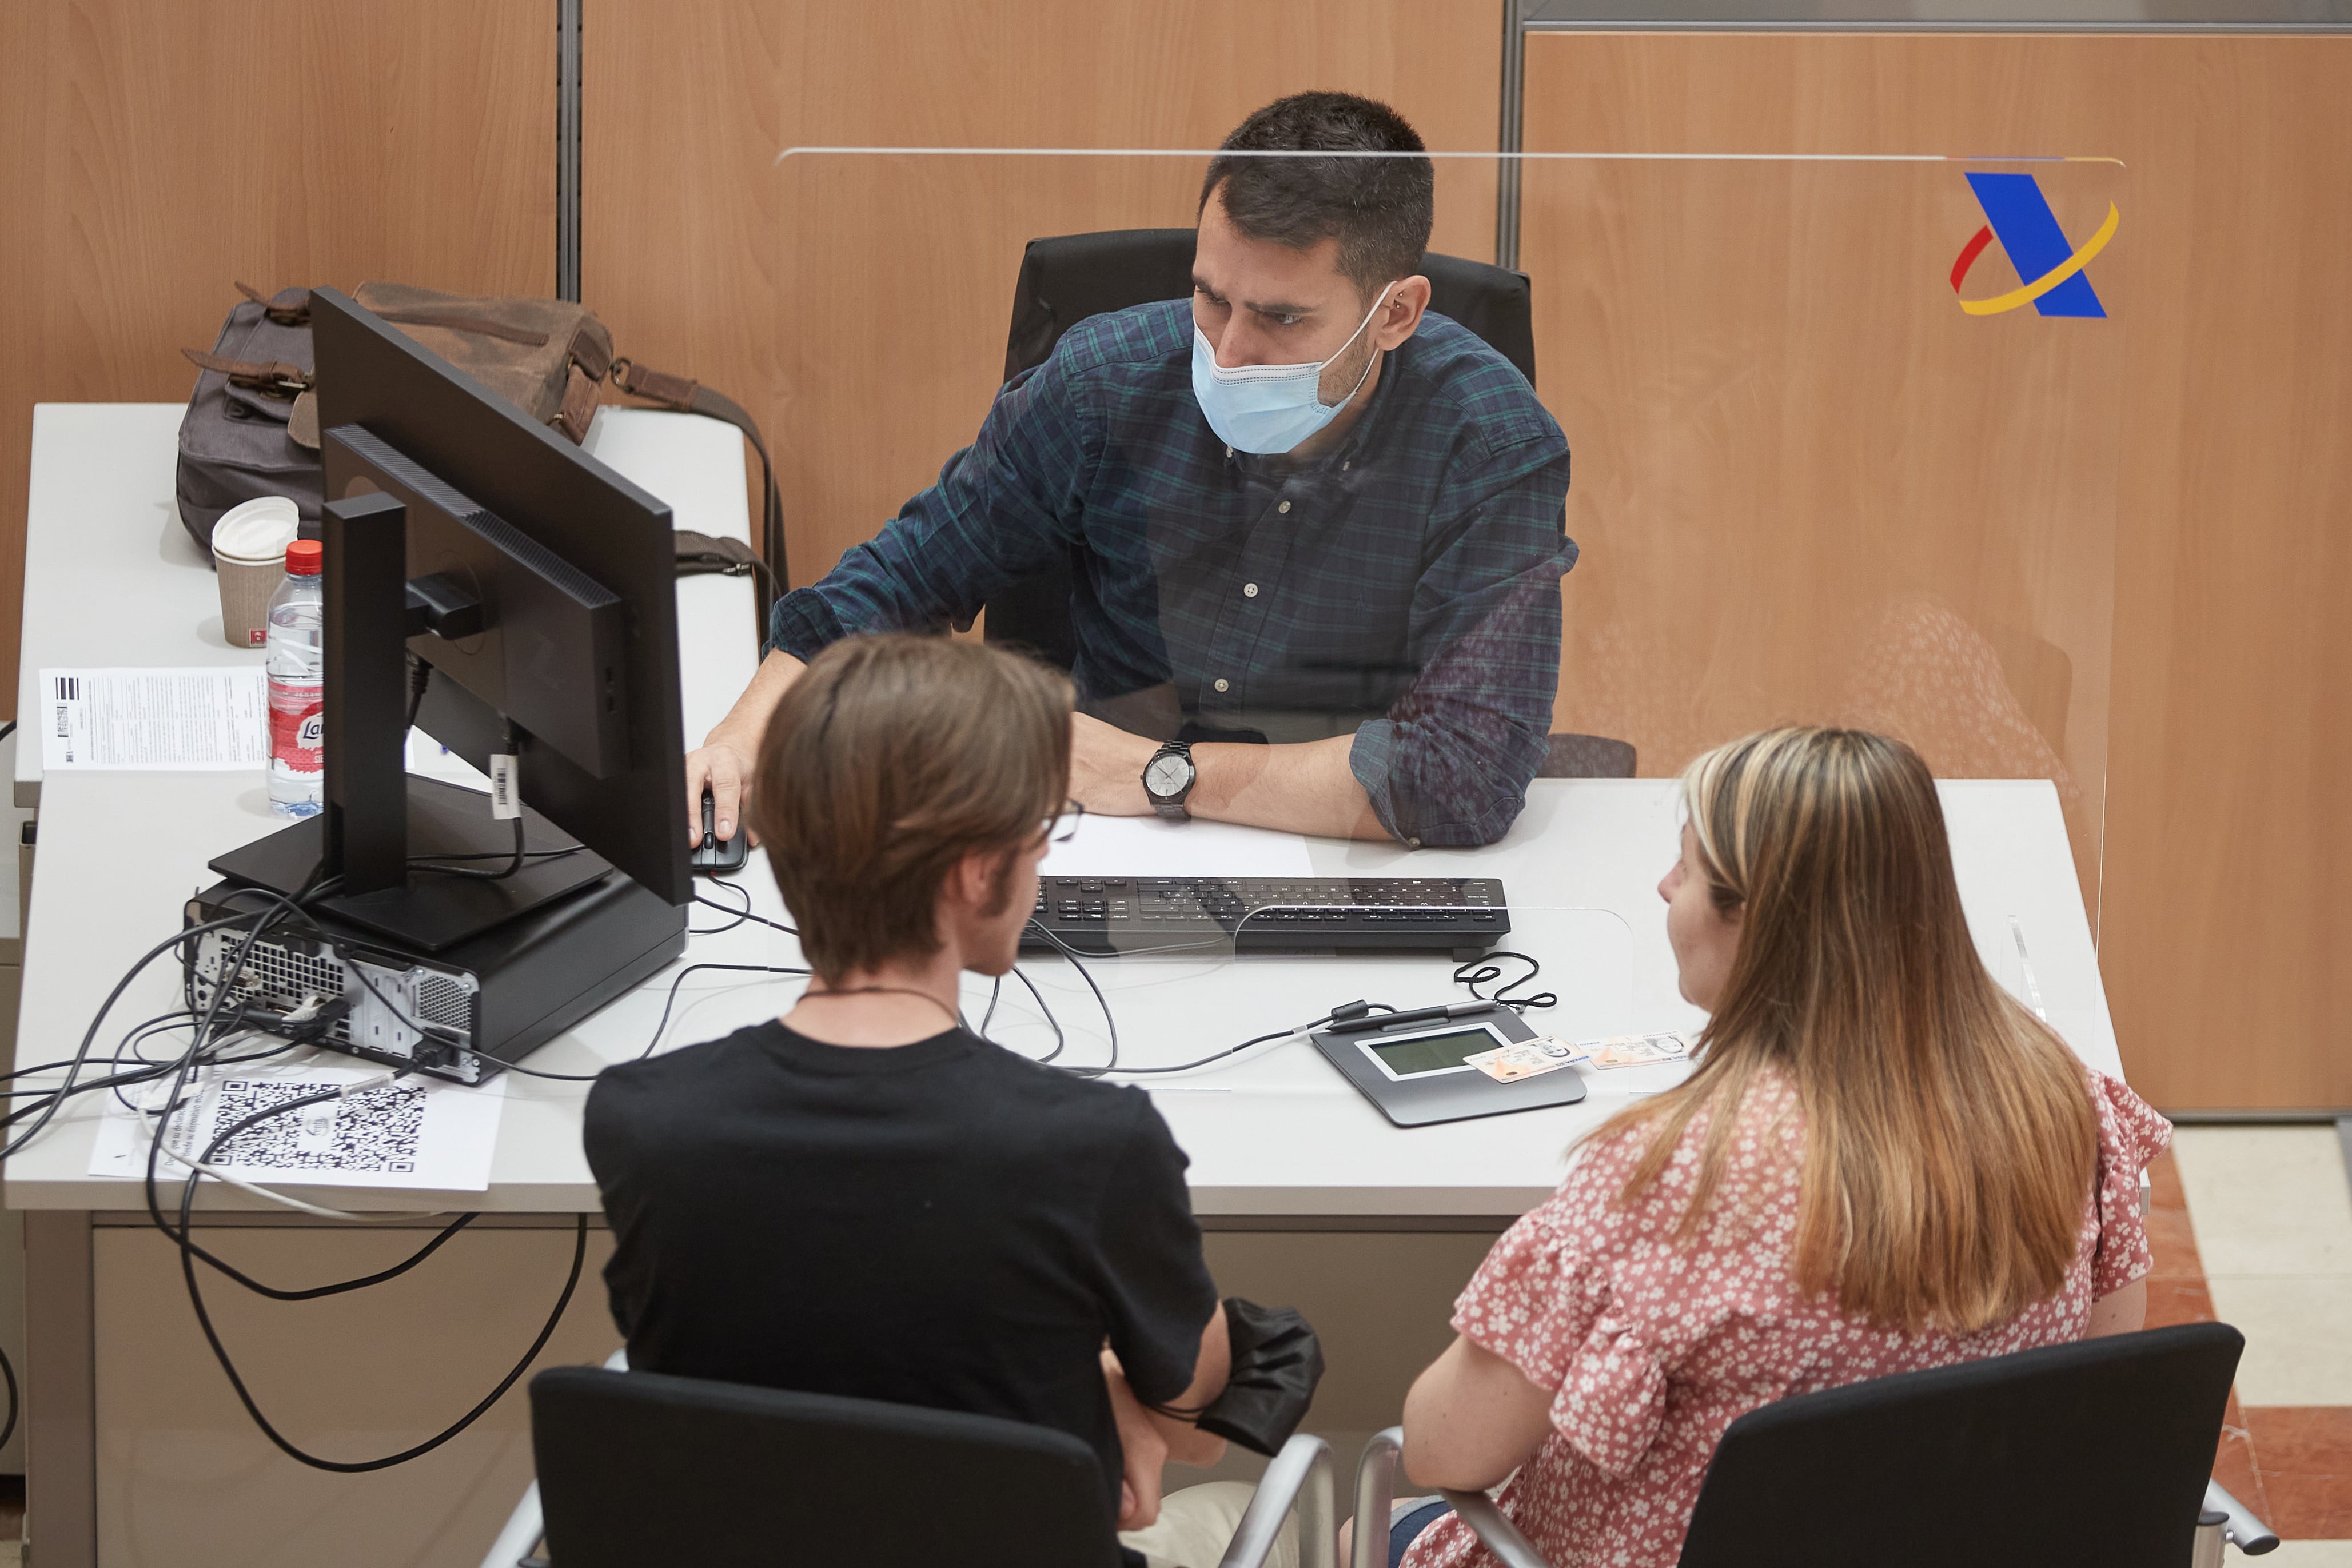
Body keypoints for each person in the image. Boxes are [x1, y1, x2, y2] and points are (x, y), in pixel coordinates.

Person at [688, 90, 1574, 852]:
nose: (1226, 352)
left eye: (1280, 319)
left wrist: (1159, 775)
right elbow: (906, 575)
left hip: (1345, 848)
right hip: (1087, 840)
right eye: (1211, 297)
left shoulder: (1489, 445)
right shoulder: (1105, 380)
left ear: (1394, 315)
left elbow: (1465, 775)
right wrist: (741, 735)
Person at [585, 634, 1294, 1568]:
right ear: (973, 873)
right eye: (1040, 834)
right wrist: (1104, 1382)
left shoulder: (642, 1122)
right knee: (1256, 1511)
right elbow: (1195, 1407)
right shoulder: (1090, 1145)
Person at [1382, 727, 2168, 1568]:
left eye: (1686, 868)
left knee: (1357, 1518)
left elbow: (1443, 1453)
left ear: (1752, 917)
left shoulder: (1671, 1176)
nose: (1663, 887)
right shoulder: (2063, 1100)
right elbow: (2097, 1378)